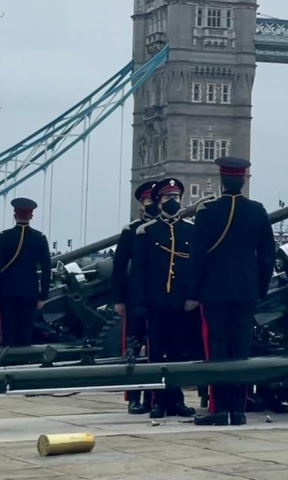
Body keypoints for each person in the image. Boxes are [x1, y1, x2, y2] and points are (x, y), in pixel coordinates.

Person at [190, 156, 277, 426]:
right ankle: (237, 411)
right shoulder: (257, 211)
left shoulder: (207, 213)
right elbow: (267, 256)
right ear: (243, 179)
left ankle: (218, 410)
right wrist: (259, 288)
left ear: (221, 179)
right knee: (241, 349)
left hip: (213, 292)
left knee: (216, 348)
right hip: (246, 291)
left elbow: (196, 258)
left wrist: (193, 294)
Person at [130, 178, 197, 419]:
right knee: (156, 353)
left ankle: (177, 400)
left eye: (176, 198)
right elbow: (138, 269)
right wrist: (140, 302)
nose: (173, 202)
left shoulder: (190, 229)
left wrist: (193, 296)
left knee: (178, 353)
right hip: (156, 302)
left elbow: (195, 268)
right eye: (168, 198)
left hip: (181, 302)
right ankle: (158, 402)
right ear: (159, 203)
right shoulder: (145, 232)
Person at [113, 180, 158, 414]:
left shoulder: (166, 229)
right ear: (142, 204)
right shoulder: (130, 231)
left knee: (159, 348)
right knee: (133, 347)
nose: (153, 205)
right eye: (149, 201)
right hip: (135, 298)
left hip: (161, 297)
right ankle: (134, 396)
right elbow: (119, 267)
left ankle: (158, 396)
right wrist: (119, 299)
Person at [0, 198, 51, 347]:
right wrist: (43, 296)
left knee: (8, 330)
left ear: (14, 215)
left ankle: (9, 363)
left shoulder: (3, 237)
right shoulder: (39, 238)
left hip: (7, 292)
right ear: (31, 216)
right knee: (26, 329)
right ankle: (24, 361)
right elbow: (46, 269)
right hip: (30, 292)